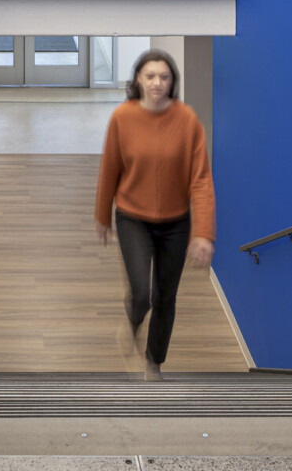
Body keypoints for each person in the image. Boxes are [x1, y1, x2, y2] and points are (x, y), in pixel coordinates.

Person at [94, 48, 216, 381]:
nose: (157, 82)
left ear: (172, 81)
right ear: (137, 79)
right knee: (142, 294)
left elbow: (202, 181)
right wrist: (102, 216)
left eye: (164, 76)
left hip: (176, 223)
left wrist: (203, 233)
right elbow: (110, 169)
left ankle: (154, 362)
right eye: (150, 76)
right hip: (132, 217)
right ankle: (131, 322)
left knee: (165, 297)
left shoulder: (187, 120)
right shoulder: (123, 117)